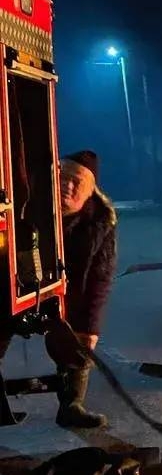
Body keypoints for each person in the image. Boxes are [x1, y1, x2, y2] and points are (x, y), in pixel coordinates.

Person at [0, 150, 118, 427]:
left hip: (65, 293)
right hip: (15, 284)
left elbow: (99, 280)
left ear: (91, 191)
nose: (68, 185)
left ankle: (71, 406)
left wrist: (90, 328)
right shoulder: (25, 203)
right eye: (63, 177)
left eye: (77, 182)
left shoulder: (100, 223)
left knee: (77, 343)